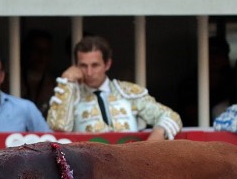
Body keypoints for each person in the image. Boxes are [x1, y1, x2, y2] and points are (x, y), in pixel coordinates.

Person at [46, 35, 182, 141]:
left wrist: (154, 139)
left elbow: (171, 116)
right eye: (83, 66)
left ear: (107, 64)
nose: (89, 72)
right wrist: (67, 82)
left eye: (95, 65)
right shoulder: (72, 94)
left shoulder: (126, 92)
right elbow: (59, 127)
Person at [21, 29, 55, 116]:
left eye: (47, 51)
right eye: (37, 50)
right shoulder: (12, 81)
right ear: (27, 51)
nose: (42, 55)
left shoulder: (55, 85)